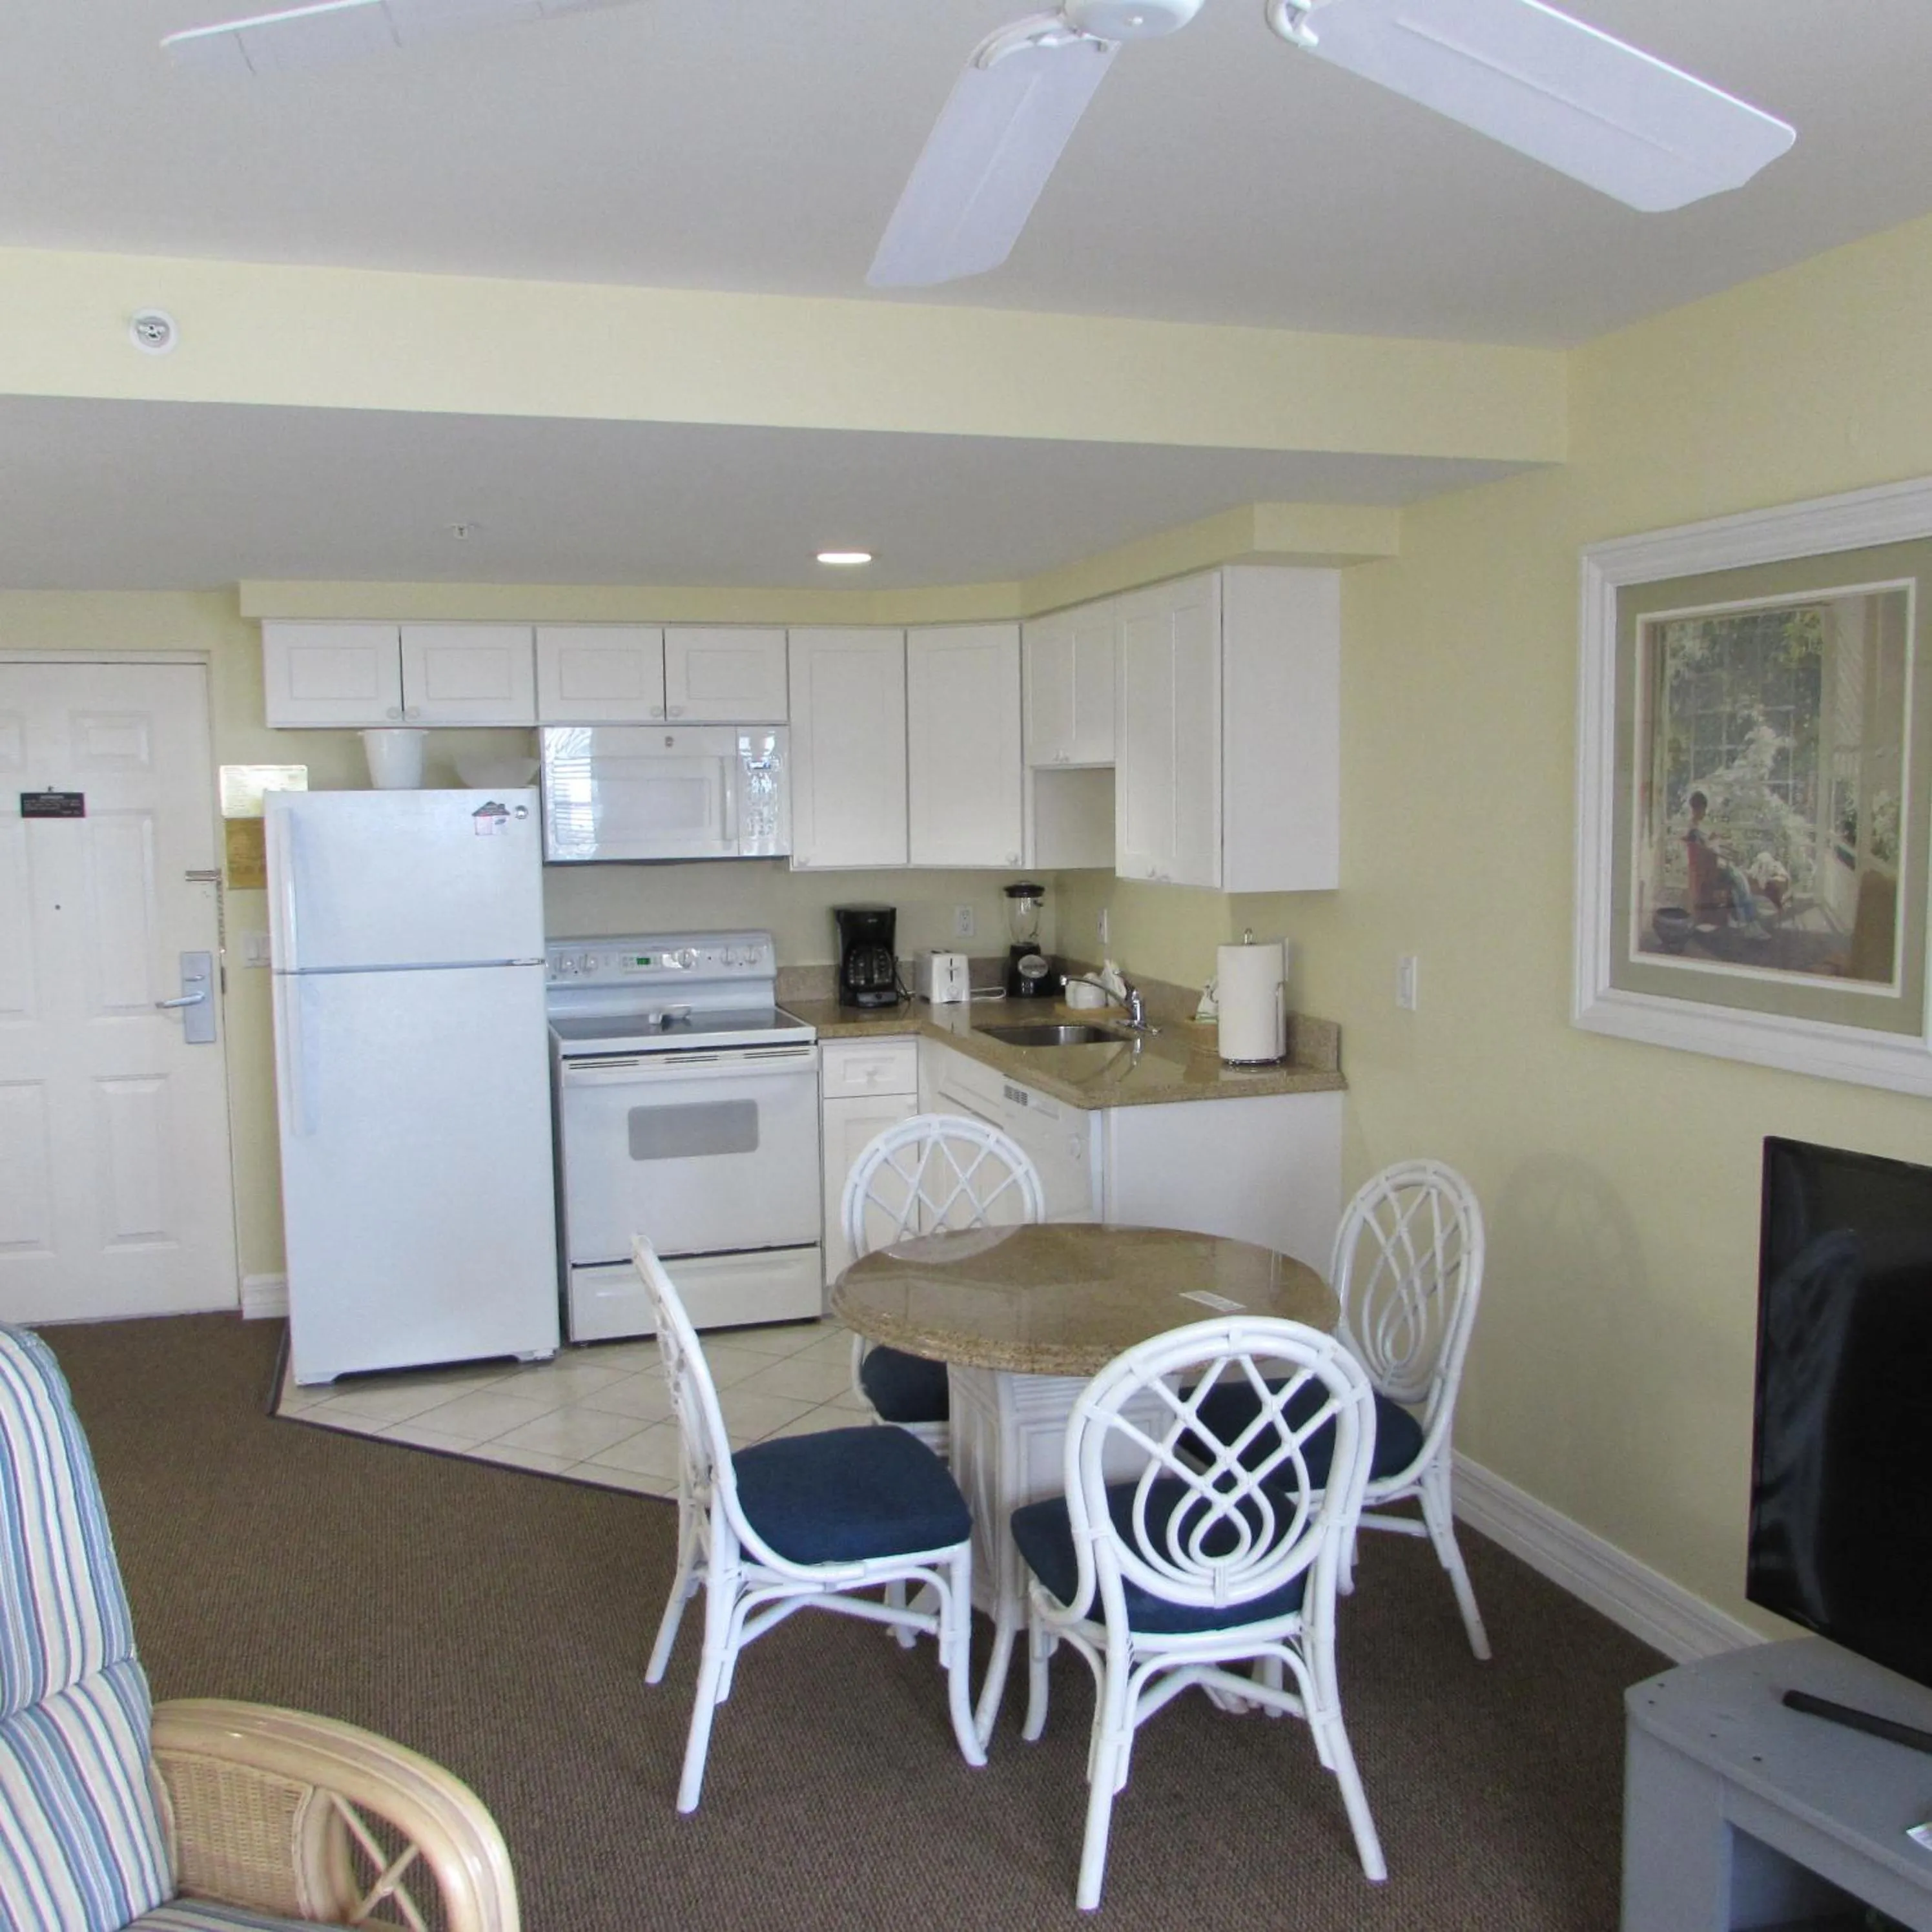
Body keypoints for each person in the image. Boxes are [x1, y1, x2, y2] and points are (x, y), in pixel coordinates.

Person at [1685, 790, 1767, 933]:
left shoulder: (1698, 826)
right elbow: (1706, 852)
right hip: (1709, 871)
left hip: (1713, 865)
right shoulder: (1694, 830)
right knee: (1741, 880)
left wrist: (1720, 843)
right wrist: (1726, 855)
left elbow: (1710, 843)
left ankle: (1745, 919)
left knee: (1740, 881)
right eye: (1702, 809)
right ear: (1697, 809)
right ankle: (1750, 922)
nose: (1704, 812)